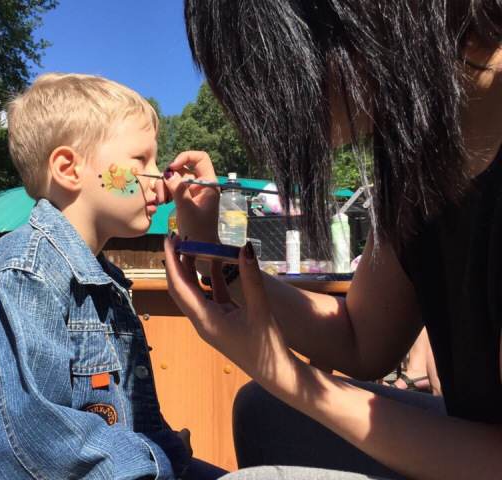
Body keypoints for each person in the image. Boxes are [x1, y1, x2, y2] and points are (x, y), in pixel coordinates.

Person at [159, 1, 502, 479]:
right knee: (264, 412)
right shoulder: (416, 152)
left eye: (266, 68)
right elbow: (361, 339)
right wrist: (218, 255)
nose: (264, 111)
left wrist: (286, 375)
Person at [0, 73, 226, 479]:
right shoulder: (24, 277)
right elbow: (28, 446)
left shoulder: (103, 281)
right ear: (68, 169)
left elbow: (124, 413)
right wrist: (161, 456)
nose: (161, 182)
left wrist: (161, 449)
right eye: (141, 160)